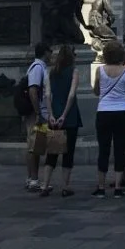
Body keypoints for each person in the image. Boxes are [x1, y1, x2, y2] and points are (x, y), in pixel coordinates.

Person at [93, 40, 125, 198]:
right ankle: (117, 187)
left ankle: (101, 187)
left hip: (104, 111)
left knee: (103, 149)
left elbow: (96, 91)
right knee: (119, 149)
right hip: (123, 110)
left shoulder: (100, 71)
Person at [41, 44, 82, 198]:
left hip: (54, 115)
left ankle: (45, 185)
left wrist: (51, 114)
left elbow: (48, 95)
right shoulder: (74, 71)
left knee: (52, 152)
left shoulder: (51, 72)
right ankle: (65, 186)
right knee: (68, 153)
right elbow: (71, 94)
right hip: (69, 116)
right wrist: (64, 115)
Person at [24, 42, 51, 193]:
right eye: (50, 51)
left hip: (40, 112)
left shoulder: (41, 67)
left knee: (37, 146)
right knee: (34, 146)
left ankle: (34, 178)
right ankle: (32, 179)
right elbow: (33, 91)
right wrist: (38, 113)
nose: (52, 54)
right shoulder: (37, 68)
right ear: (45, 52)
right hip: (37, 114)